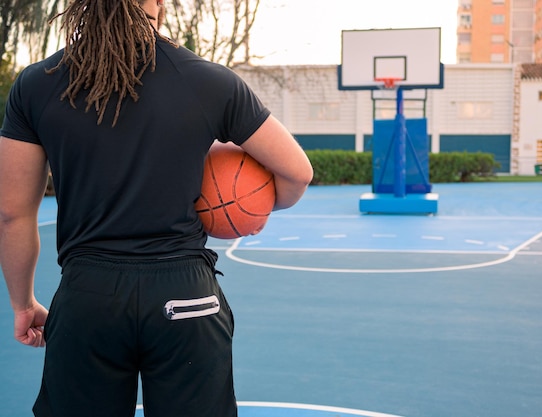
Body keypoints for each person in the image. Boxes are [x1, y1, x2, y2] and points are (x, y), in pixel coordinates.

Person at [0, 0, 313, 416]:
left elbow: (11, 213)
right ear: (159, 4)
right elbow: (297, 174)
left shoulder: (37, 84)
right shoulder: (208, 80)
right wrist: (258, 209)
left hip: (88, 297)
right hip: (186, 296)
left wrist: (23, 305)